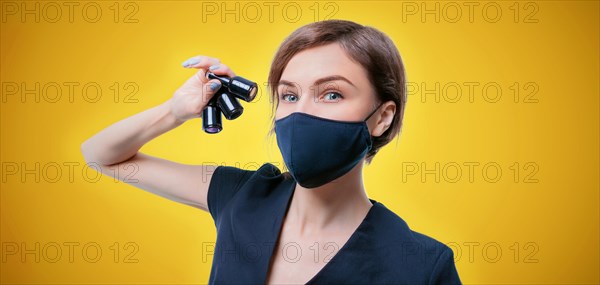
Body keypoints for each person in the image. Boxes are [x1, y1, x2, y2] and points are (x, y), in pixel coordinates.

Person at [81, 19, 461, 284]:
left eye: (332, 93)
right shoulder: (239, 195)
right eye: (289, 95)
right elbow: (101, 155)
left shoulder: (422, 265)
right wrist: (175, 111)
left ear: (382, 117)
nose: (302, 112)